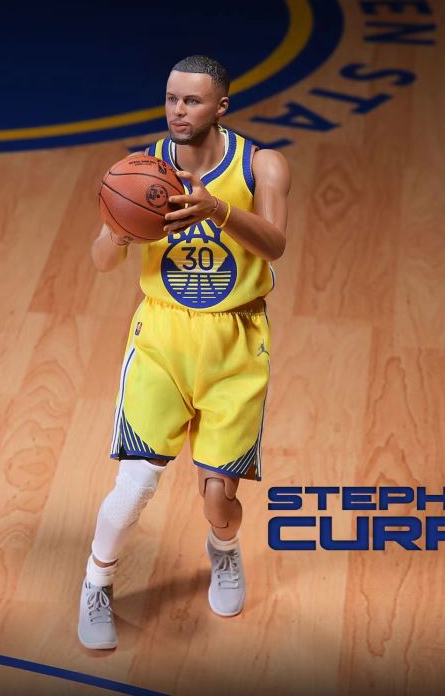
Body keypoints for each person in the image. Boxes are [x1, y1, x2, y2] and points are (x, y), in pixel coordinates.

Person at [78, 55, 290, 650]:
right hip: (162, 339)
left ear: (221, 105)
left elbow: (275, 245)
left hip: (235, 341)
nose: (178, 110)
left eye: (192, 101)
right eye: (172, 98)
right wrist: (119, 231)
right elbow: (101, 260)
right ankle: (96, 582)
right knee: (135, 486)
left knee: (219, 498)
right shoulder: (140, 170)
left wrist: (218, 210)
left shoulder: (261, 164)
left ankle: (224, 549)